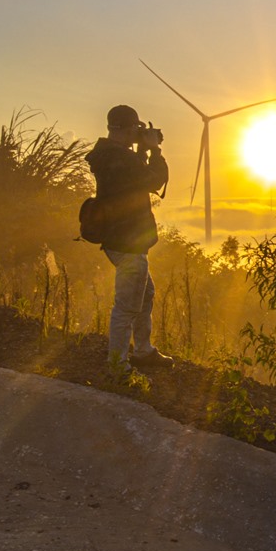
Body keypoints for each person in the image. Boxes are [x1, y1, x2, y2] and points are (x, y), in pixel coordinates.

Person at [85, 104, 170, 366]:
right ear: (129, 127)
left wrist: (141, 152)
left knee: (144, 295)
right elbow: (155, 180)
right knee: (127, 307)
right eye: (137, 128)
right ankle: (118, 366)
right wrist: (155, 150)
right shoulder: (119, 158)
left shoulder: (111, 155)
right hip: (128, 241)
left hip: (118, 237)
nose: (139, 133)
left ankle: (143, 350)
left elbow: (135, 180)